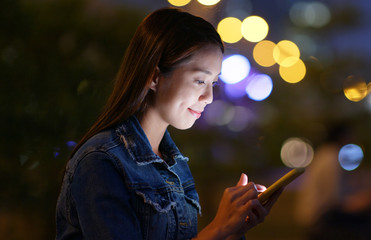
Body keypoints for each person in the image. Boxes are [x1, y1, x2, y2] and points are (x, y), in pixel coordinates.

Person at [55, 7, 282, 240]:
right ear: (153, 77)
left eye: (213, 83)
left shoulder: (173, 163)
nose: (209, 97)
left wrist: (234, 228)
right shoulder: (101, 159)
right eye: (199, 80)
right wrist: (219, 228)